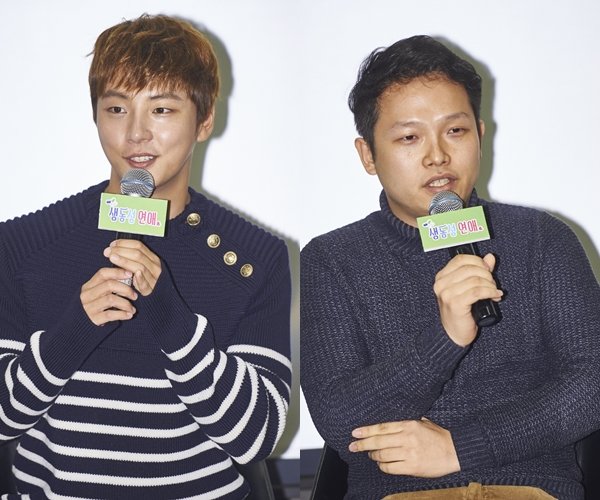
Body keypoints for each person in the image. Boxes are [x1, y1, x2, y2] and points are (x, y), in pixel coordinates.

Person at [0, 14, 291, 499]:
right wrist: (72, 332)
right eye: (116, 108)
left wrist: (171, 319)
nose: (136, 134)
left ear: (204, 121)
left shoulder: (252, 258)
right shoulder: (24, 244)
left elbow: (256, 437)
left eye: (161, 110)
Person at [300, 35, 600, 499]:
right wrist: (445, 338)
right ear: (368, 155)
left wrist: (462, 447)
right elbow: (340, 421)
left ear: (479, 134)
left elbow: (592, 383)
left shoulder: (542, 238)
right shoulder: (332, 260)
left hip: (530, 488)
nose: (437, 155)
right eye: (409, 137)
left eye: (455, 131)